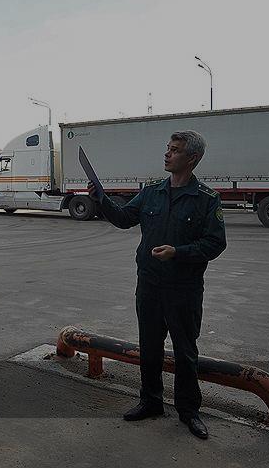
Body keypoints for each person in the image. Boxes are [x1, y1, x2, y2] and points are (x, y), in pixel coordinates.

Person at [89, 131, 226, 439]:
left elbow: (215, 243)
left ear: (191, 158)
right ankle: (150, 402)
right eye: (168, 148)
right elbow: (124, 218)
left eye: (174, 150)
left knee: (185, 352)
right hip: (149, 284)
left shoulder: (206, 199)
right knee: (149, 347)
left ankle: (188, 410)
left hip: (183, 288)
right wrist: (101, 199)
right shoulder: (152, 191)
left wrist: (178, 252)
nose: (167, 154)